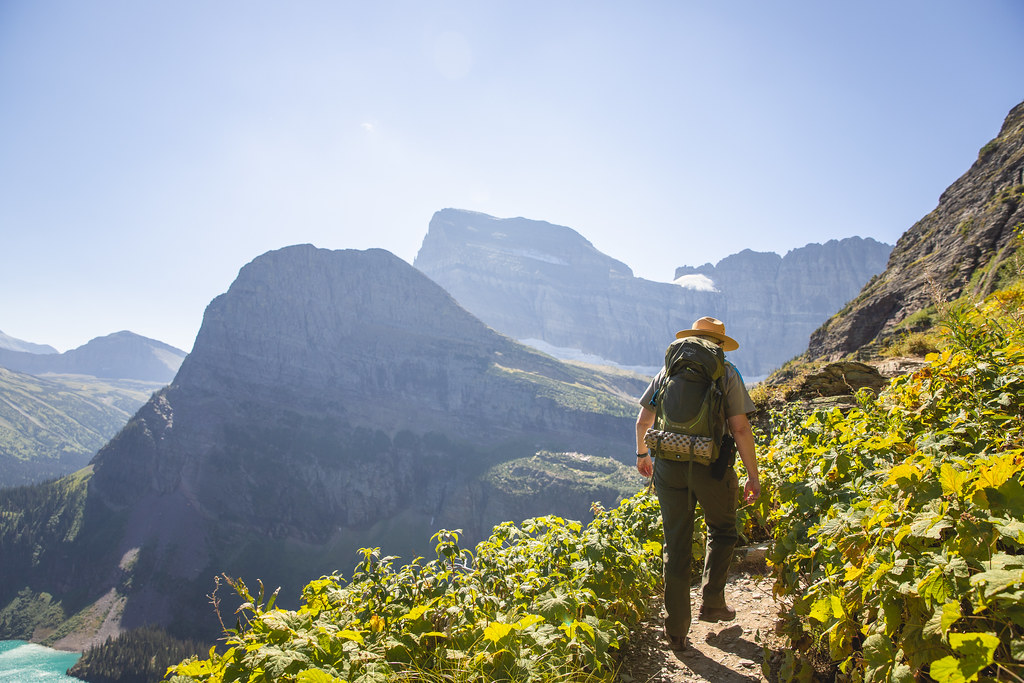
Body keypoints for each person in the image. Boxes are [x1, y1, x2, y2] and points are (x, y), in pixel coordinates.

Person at [634, 316, 760, 651]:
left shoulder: (670, 370)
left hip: (668, 466)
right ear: (720, 343)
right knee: (722, 530)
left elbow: (643, 419)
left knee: (675, 544)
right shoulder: (727, 372)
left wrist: (642, 454)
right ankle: (712, 602)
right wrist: (753, 474)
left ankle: (676, 630)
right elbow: (741, 429)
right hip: (711, 467)